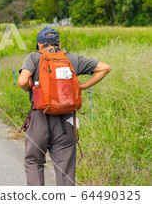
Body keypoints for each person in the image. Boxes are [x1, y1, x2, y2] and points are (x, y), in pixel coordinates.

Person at [18, 27, 111, 186]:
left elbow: (22, 81)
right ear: (59, 44)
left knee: (34, 161)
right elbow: (105, 68)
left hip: (39, 117)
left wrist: (29, 87)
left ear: (39, 45)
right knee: (65, 168)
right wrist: (83, 86)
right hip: (66, 121)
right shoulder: (72, 59)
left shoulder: (34, 57)